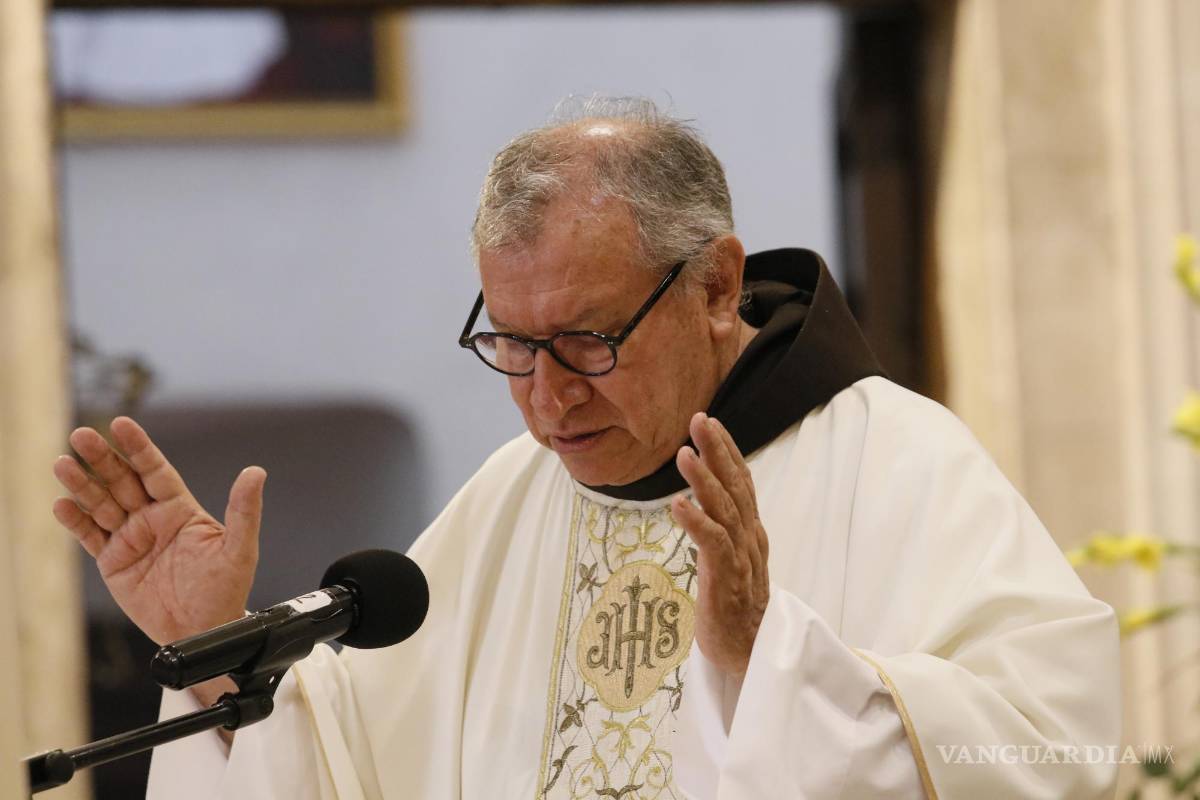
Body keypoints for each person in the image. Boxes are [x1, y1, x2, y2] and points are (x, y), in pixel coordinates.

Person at [53, 98, 1119, 799]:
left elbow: (1057, 751)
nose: (547, 398)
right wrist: (213, 652)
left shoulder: (901, 461)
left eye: (588, 340)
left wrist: (769, 663)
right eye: (511, 344)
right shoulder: (511, 498)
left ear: (713, 283)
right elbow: (354, 761)